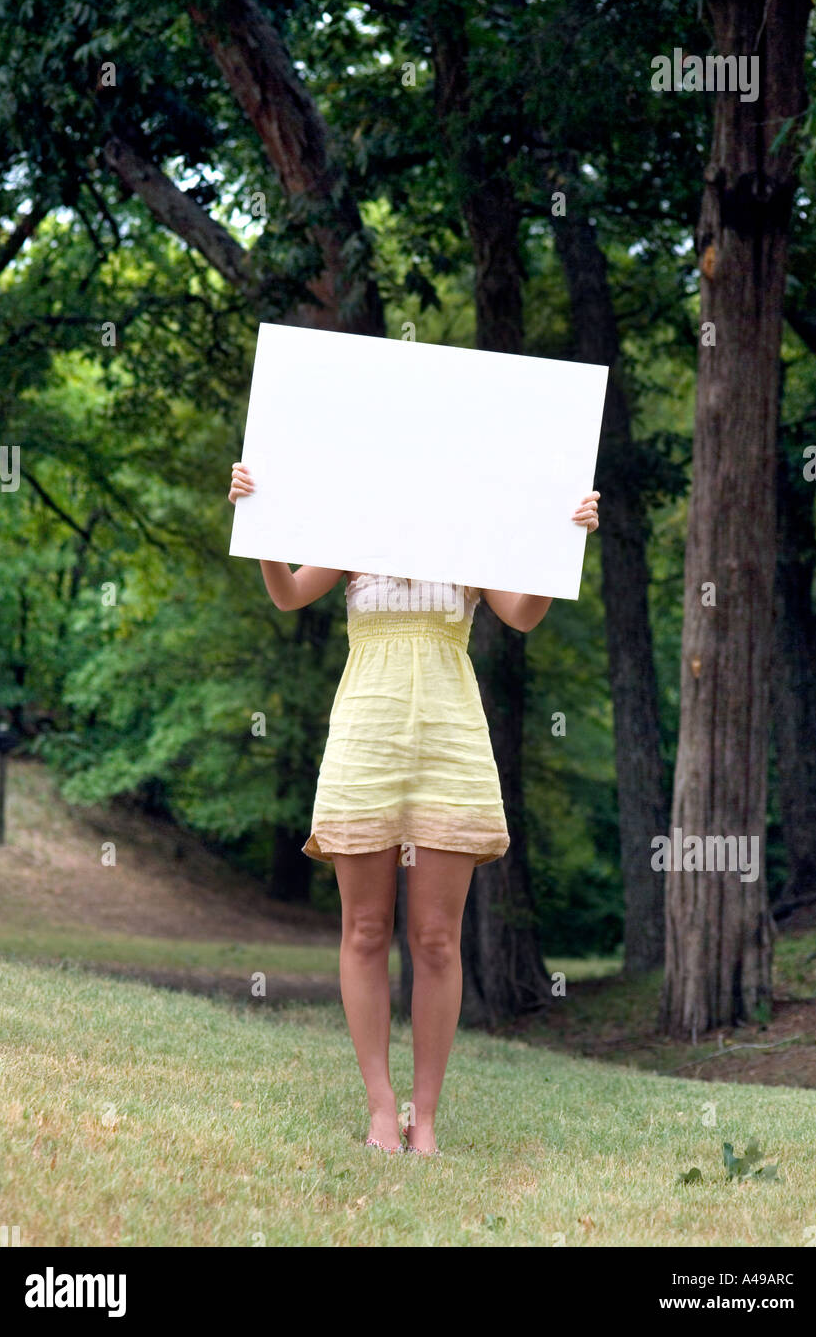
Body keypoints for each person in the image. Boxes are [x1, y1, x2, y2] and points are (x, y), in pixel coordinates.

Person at [228, 461, 600, 1156]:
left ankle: (424, 1121)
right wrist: (260, 525)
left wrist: (566, 541)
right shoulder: (354, 532)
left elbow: (520, 614)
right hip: (367, 738)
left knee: (434, 939)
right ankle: (380, 1109)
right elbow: (286, 596)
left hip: (447, 742)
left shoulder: (472, 536)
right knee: (365, 930)